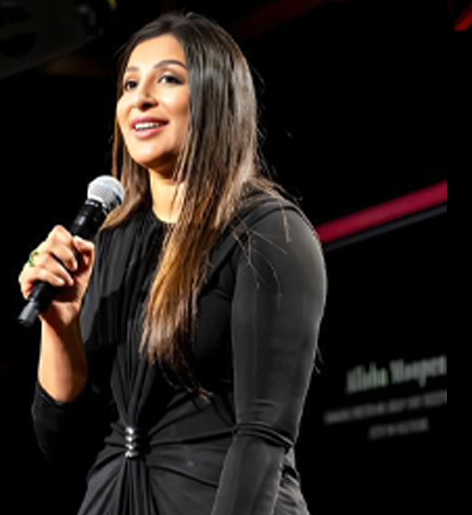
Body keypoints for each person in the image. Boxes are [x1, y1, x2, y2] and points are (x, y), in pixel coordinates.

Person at [18, 12, 327, 515]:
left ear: (215, 97)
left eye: (167, 79)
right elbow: (66, 447)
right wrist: (61, 325)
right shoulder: (109, 242)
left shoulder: (269, 233)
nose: (139, 99)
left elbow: (263, 434)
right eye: (129, 84)